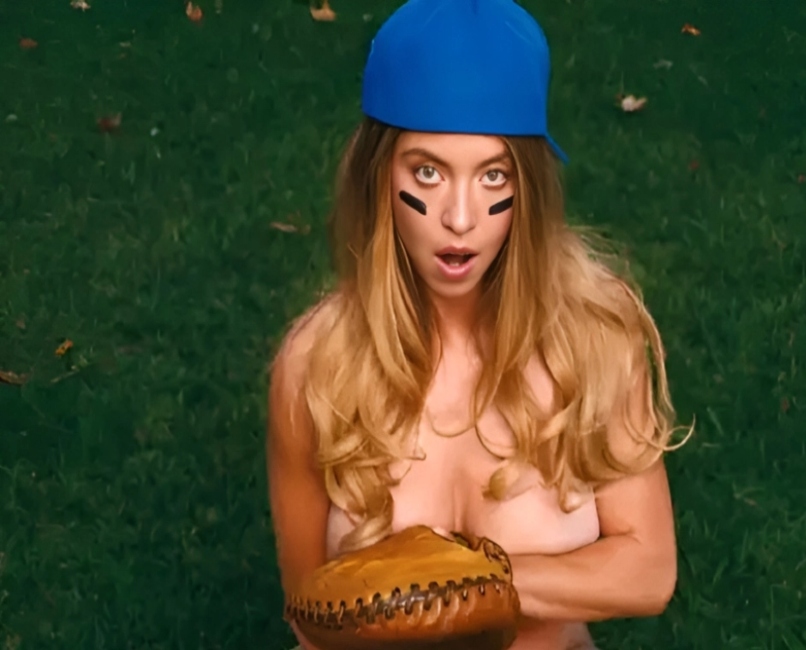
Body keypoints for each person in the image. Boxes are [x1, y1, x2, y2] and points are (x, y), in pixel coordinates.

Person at [266, 1, 691, 648]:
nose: (460, 219)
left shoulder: (594, 339)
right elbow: (308, 611)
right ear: (378, 176)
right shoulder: (315, 368)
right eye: (428, 172)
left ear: (529, 186)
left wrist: (479, 585)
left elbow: (649, 570)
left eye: (494, 175)